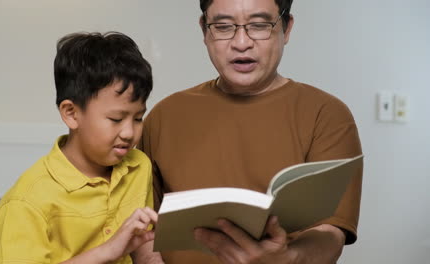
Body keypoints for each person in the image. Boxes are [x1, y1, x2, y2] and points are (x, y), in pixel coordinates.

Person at [139, 0, 363, 263]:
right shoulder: (163, 116)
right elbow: (142, 228)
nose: (241, 42)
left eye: (259, 25)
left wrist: (286, 259)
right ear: (204, 30)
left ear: (287, 28)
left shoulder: (327, 115)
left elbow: (330, 233)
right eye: (223, 27)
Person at [0, 32, 164, 264]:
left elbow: (144, 247)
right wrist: (108, 250)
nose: (129, 133)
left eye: (138, 118)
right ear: (71, 114)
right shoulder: (25, 202)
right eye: (115, 119)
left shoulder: (137, 166)